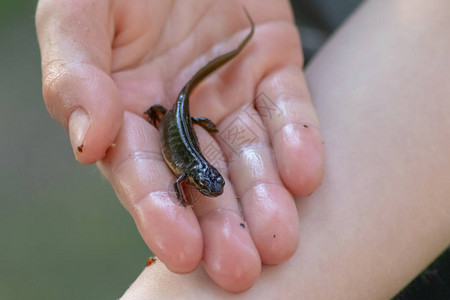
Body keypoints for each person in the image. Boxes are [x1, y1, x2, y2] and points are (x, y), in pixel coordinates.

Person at [36, 0, 450, 298]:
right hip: (187, 108)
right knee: (175, 113)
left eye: (209, 182)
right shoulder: (186, 171)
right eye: (208, 182)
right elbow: (183, 178)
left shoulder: (190, 174)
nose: (211, 186)